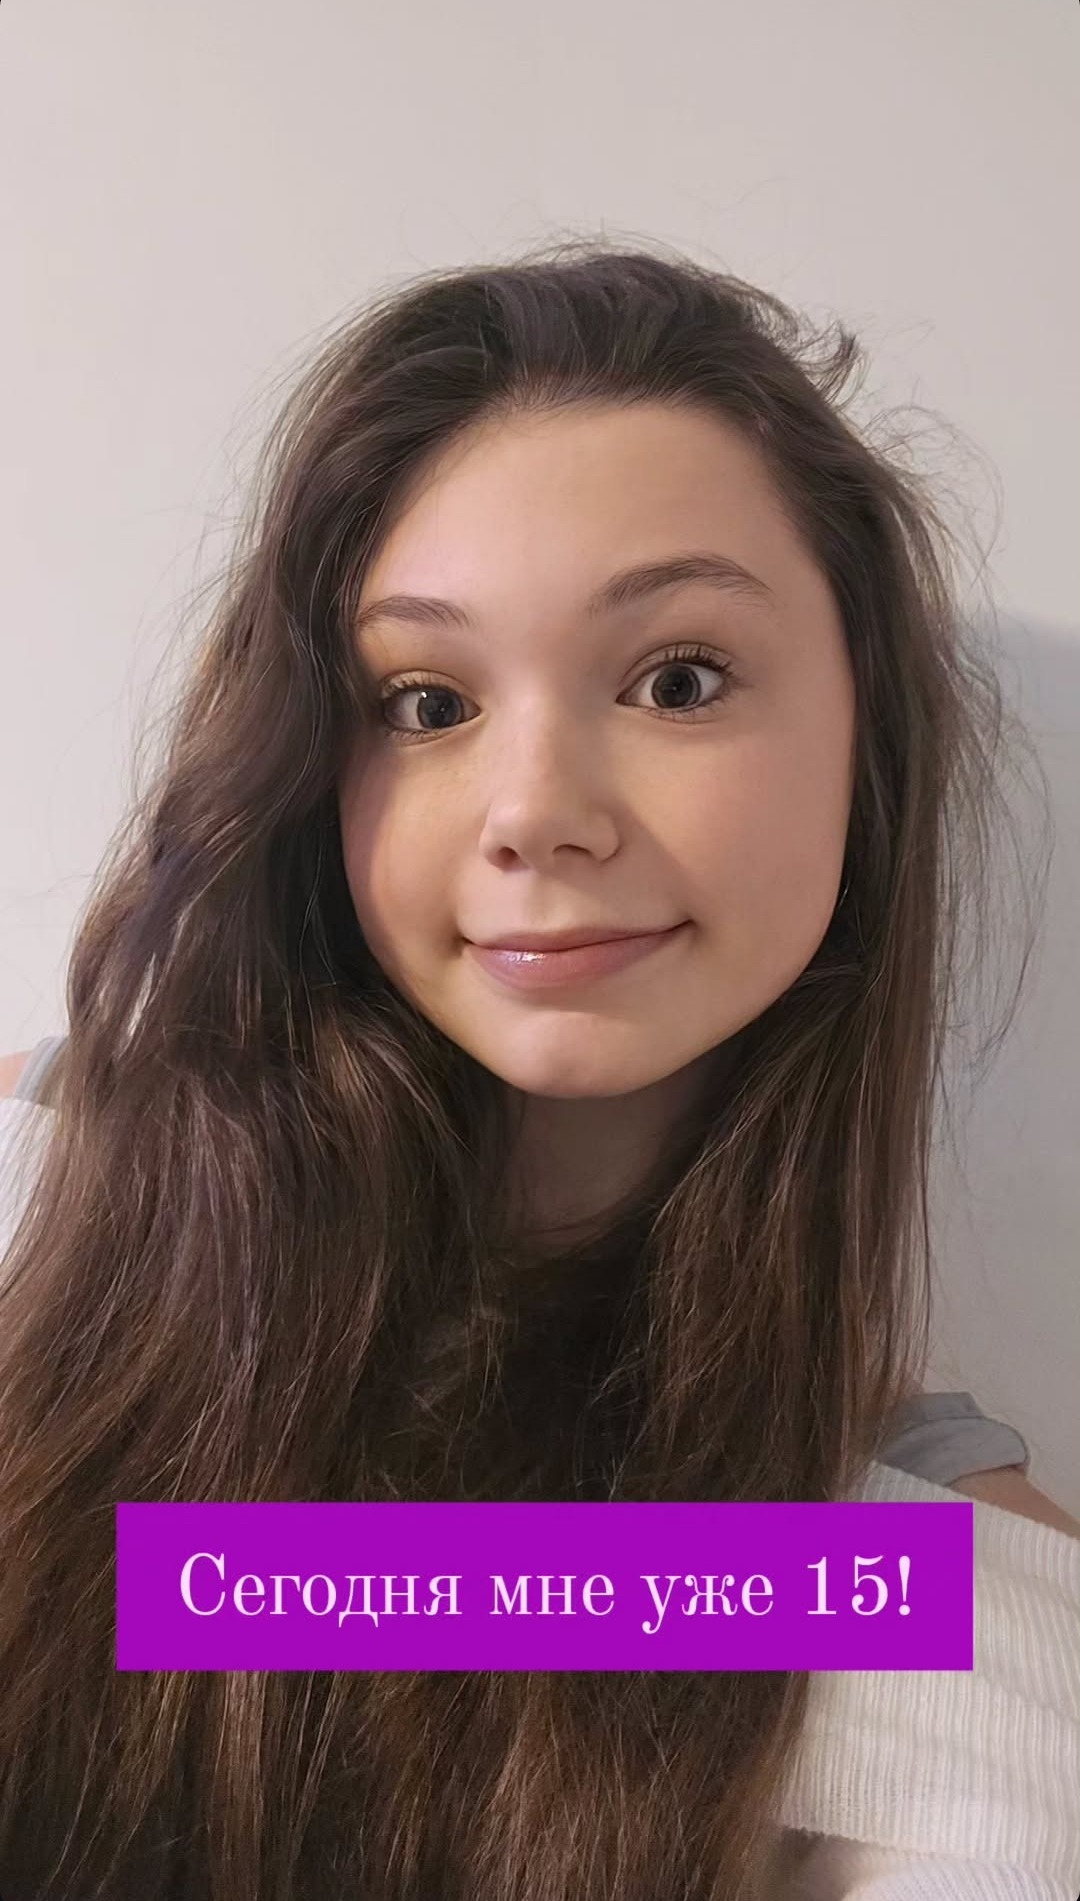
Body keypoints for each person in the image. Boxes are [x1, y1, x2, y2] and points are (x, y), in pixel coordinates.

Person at [0, 238, 1076, 1901]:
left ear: (866, 736)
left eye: (678, 681)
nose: (533, 812)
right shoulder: (46, 1205)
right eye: (426, 702)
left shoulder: (956, 1589)